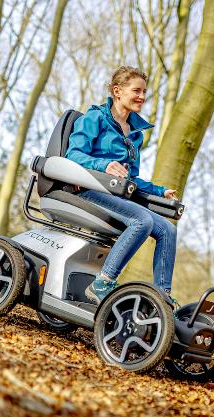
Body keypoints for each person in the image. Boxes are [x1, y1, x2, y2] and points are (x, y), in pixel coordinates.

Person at [65, 66, 179, 306]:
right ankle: (103, 283)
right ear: (117, 91)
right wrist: (103, 165)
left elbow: (130, 179)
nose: (142, 97)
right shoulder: (94, 118)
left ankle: (162, 298)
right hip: (88, 189)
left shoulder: (135, 134)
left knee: (168, 230)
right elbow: (72, 154)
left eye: (144, 92)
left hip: (118, 195)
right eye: (136, 90)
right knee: (142, 221)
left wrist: (159, 191)